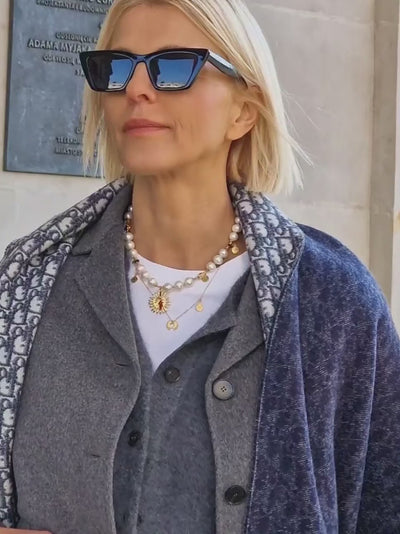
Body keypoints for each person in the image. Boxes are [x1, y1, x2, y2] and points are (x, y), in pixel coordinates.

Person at [1, 0, 399, 532]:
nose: (136, 89)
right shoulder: (26, 284)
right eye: (117, 67)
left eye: (173, 66)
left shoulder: (334, 301)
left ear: (244, 111)